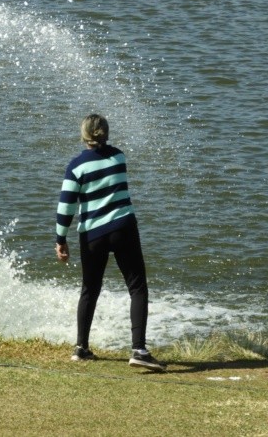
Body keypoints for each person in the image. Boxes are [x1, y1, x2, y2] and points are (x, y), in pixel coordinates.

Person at [55, 114, 165, 372]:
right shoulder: (119, 157)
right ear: (106, 133)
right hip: (123, 228)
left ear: (84, 135)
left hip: (92, 234)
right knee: (137, 287)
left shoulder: (76, 166)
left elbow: (66, 206)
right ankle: (139, 349)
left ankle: (81, 348)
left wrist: (61, 238)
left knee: (89, 289)